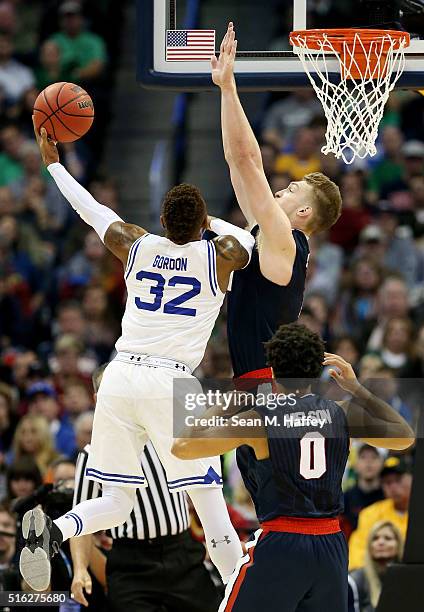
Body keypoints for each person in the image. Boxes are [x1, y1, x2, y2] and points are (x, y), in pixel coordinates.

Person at [19, 118, 255, 591]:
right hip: (170, 383)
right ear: (202, 221)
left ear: (162, 221)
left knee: (119, 500)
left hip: (119, 376)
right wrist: (209, 221)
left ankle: (54, 530)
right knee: (208, 499)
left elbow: (93, 211)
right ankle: (236, 590)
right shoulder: (221, 256)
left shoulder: (135, 244)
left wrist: (54, 167)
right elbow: (249, 238)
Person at [172, 323, 414, 612]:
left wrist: (225, 405)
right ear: (317, 370)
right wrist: (357, 388)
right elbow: (404, 436)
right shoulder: (342, 412)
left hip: (282, 542)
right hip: (331, 545)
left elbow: (182, 448)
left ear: (272, 371)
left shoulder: (258, 419)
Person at [212, 23, 342, 379]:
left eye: (293, 190)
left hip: (269, 386)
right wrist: (225, 91)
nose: (282, 189)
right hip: (260, 381)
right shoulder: (271, 233)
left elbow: (246, 160)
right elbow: (236, 159)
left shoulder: (284, 239)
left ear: (303, 212)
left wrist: (229, 87)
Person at [70, 365, 220, 612]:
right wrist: (79, 569)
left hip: (181, 554)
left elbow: (205, 485)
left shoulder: (169, 435)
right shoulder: (92, 454)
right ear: (99, 400)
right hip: (131, 564)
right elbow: (81, 521)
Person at [349, 458, 412, 570]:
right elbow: (357, 554)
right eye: (387, 482)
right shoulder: (370, 513)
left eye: (398, 480)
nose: (392, 487)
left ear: (412, 479)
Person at [349, 521, 404, 611]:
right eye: (375, 538)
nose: (381, 542)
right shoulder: (355, 580)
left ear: (398, 545)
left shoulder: (408, 578)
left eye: (388, 538)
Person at [343, 445, 384, 536]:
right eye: (363, 457)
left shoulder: (388, 496)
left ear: (382, 463)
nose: (368, 462)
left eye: (374, 457)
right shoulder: (346, 498)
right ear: (355, 465)